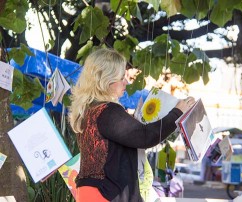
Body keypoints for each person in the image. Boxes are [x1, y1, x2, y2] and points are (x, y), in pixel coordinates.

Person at [68, 48, 195, 202]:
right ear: (106, 79)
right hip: (106, 193)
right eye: (121, 77)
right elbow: (145, 136)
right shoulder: (107, 111)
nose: (126, 82)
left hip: (90, 192)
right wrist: (177, 112)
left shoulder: (89, 111)